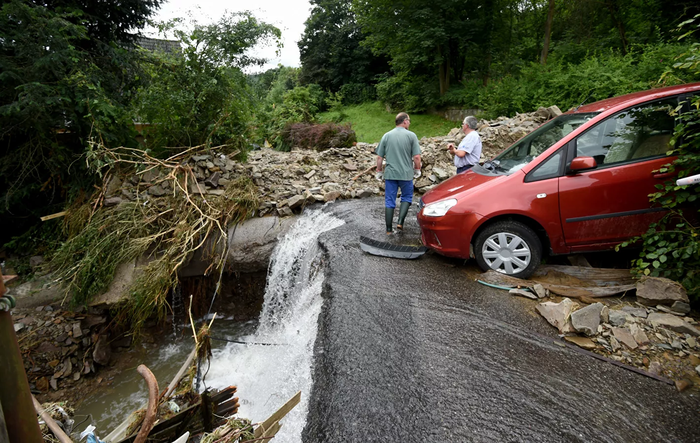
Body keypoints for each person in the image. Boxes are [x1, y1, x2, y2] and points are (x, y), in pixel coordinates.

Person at [375, 112, 422, 234]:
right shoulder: (411, 136)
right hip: (406, 174)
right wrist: (417, 169)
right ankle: (400, 222)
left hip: (390, 174)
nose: (409, 123)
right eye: (409, 121)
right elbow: (417, 157)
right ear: (405, 121)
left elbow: (379, 157)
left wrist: (379, 171)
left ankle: (388, 229)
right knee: (406, 197)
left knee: (389, 200)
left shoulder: (386, 135)